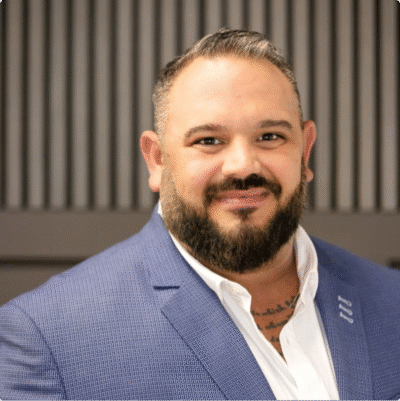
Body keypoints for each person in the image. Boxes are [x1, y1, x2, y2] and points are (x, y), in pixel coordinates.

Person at [0, 29, 399, 400]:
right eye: (208, 140)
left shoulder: (392, 300)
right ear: (157, 160)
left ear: (305, 151)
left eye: (270, 137)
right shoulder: (44, 339)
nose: (243, 166)